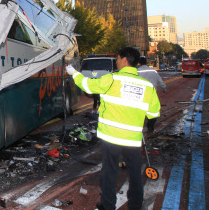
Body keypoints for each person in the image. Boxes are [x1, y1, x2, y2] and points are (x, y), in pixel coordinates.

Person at [66, 47, 161, 210]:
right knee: (135, 175)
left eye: (117, 58)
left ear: (124, 59)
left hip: (111, 137)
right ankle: (136, 206)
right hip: (133, 139)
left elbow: (88, 86)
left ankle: (108, 205)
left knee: (109, 173)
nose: (116, 61)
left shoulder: (112, 79)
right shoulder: (147, 86)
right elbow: (153, 113)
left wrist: (73, 73)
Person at [137, 56, 166, 133]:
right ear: (146, 62)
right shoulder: (153, 71)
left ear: (139, 63)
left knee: (140, 110)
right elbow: (160, 81)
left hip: (140, 93)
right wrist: (164, 89)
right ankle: (150, 127)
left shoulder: (137, 71)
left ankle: (140, 126)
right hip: (151, 93)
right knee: (152, 111)